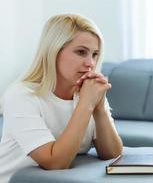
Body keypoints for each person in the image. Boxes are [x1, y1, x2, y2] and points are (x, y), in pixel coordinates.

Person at [0, 14, 123, 183]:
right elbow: (54, 163)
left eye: (95, 54)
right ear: (53, 51)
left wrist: (99, 107)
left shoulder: (87, 91)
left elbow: (112, 153)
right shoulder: (21, 96)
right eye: (81, 52)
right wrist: (87, 105)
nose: (91, 63)